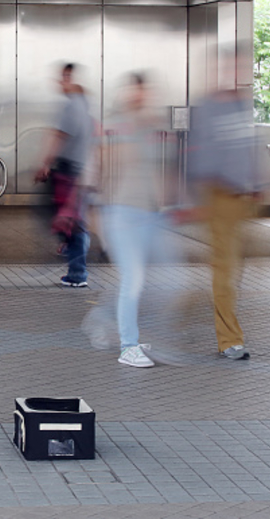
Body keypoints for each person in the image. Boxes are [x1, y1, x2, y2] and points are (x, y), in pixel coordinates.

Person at [187, 54, 265, 361]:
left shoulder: (242, 105)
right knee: (225, 271)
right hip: (218, 196)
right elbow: (201, 157)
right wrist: (198, 200)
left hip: (243, 198)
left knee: (239, 269)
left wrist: (258, 182)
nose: (239, 74)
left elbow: (248, 146)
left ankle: (192, 307)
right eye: (234, 67)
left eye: (242, 68)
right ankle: (229, 339)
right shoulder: (208, 107)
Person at [101, 74, 178, 368]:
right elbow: (103, 170)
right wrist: (100, 220)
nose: (141, 96)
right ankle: (127, 346)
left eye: (144, 91)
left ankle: (117, 325)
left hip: (150, 214)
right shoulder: (115, 127)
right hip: (121, 214)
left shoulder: (152, 127)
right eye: (135, 91)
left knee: (168, 282)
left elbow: (160, 168)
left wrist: (166, 204)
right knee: (132, 282)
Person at [35, 63, 94, 288]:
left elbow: (60, 136)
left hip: (69, 171)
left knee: (71, 222)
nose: (60, 82)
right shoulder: (85, 106)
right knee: (73, 219)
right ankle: (71, 252)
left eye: (64, 78)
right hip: (78, 169)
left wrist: (45, 163)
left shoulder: (71, 106)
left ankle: (77, 273)